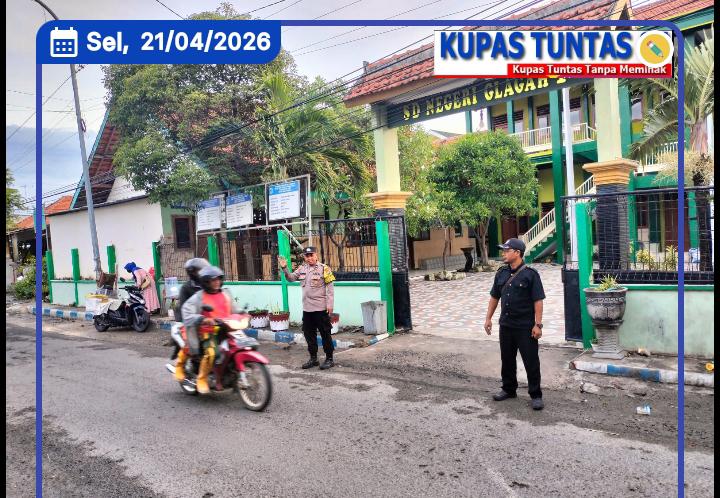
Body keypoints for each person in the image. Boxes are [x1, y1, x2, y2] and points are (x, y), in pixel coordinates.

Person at [484, 238, 546, 411]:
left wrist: (538, 325)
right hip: (506, 325)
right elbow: (494, 297)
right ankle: (508, 389)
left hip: (525, 327)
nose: (503, 253)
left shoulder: (530, 275)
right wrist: (488, 318)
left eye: (507, 250)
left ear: (517, 253)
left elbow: (538, 300)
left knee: (531, 361)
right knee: (507, 359)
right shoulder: (501, 273)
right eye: (503, 250)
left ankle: (536, 395)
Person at [181, 266, 244, 394]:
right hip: (208, 331)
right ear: (206, 282)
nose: (217, 282)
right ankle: (202, 379)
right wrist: (202, 318)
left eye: (218, 279)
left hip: (226, 328)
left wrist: (244, 314)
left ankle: (232, 373)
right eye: (213, 280)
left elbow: (234, 309)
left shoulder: (225, 293)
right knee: (212, 352)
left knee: (242, 345)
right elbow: (186, 311)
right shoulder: (199, 297)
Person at [278, 247, 336, 370]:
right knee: (309, 335)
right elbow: (291, 278)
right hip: (307, 309)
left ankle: (329, 358)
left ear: (316, 255)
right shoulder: (302, 268)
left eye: (311, 255)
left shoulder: (324, 268)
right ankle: (313, 358)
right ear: (304, 257)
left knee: (325, 334)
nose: (309, 258)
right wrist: (284, 268)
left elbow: (330, 289)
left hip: (321, 309)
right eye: (307, 256)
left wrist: (330, 305)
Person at [171, 258, 209, 382]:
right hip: (190, 320)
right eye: (199, 270)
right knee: (194, 345)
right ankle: (185, 365)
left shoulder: (208, 284)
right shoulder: (186, 288)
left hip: (207, 319)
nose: (202, 272)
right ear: (192, 273)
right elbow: (184, 309)